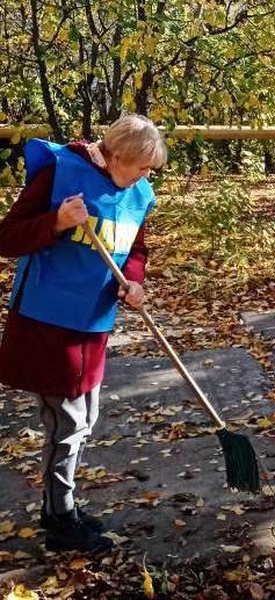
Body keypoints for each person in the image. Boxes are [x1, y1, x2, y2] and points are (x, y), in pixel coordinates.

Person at [0, 114, 167, 552]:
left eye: (150, 169)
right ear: (114, 155)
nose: (145, 177)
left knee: (85, 419)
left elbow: (135, 249)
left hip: (93, 323)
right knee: (66, 422)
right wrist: (55, 222)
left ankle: (62, 506)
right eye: (140, 167)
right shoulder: (61, 173)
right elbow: (7, 238)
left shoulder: (138, 193)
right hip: (49, 322)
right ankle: (59, 519)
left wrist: (134, 280)